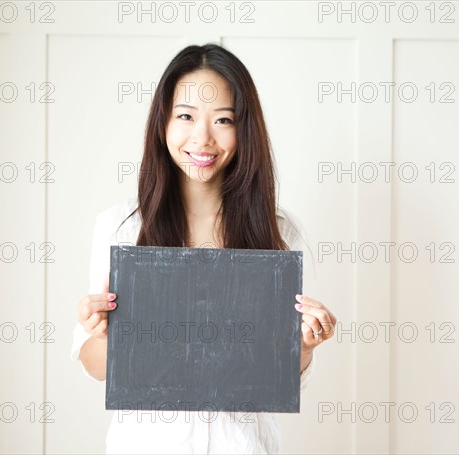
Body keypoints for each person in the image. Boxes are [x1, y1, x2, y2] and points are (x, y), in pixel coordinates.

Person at [71, 43, 337, 454]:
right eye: (186, 116)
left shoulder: (278, 231)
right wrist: (104, 333)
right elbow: (94, 365)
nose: (203, 138)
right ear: (163, 123)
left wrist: (302, 345)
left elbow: (282, 376)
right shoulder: (121, 227)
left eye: (224, 119)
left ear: (244, 128)